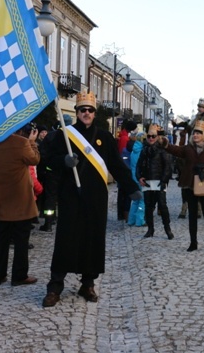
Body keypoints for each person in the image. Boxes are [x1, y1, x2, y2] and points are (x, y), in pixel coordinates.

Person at [41, 92, 140, 307]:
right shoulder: (64, 136)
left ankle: (88, 283)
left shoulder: (104, 137)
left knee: (92, 240)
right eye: (82, 110)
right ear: (76, 113)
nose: (86, 113)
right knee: (65, 240)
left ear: (94, 114)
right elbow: (47, 163)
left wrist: (131, 187)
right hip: (70, 197)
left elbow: (116, 165)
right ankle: (55, 285)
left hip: (96, 197)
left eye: (90, 110)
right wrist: (63, 161)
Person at [0, 123, 40, 286]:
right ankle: (19, 275)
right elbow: (34, 159)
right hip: (19, 200)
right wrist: (31, 142)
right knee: (21, 240)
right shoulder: (20, 143)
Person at [163, 120, 204, 253]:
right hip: (190, 185)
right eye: (194, 133)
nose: (195, 135)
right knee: (192, 215)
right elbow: (175, 150)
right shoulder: (188, 148)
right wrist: (165, 143)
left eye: (198, 133)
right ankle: (193, 243)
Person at [137, 124, 174, 240]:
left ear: (157, 137)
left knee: (162, 206)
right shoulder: (144, 150)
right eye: (149, 136)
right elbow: (138, 165)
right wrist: (139, 177)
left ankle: (167, 229)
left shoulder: (162, 150)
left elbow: (168, 167)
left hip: (159, 181)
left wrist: (164, 181)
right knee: (148, 206)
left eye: (153, 136)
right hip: (148, 181)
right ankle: (150, 229)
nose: (151, 138)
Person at [117, 120, 138, 220]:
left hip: (123, 168)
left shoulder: (123, 136)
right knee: (125, 193)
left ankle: (121, 214)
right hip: (125, 169)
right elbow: (124, 153)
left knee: (122, 193)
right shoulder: (125, 139)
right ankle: (124, 214)